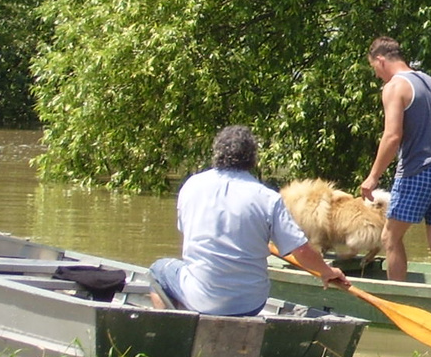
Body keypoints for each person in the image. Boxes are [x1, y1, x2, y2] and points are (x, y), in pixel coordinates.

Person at [149, 125, 353, 314]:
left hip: (201, 299)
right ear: (253, 159)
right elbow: (301, 251)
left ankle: (174, 325)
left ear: (216, 153)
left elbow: (188, 232)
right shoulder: (268, 198)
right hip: (250, 304)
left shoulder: (191, 186)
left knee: (158, 270)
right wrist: (326, 271)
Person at [359, 37, 431, 285]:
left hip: (417, 171)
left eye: (374, 68)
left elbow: (392, 136)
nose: (377, 75)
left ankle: (398, 300)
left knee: (389, 238)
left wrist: (373, 177)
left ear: (380, 60)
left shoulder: (395, 86)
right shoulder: (430, 82)